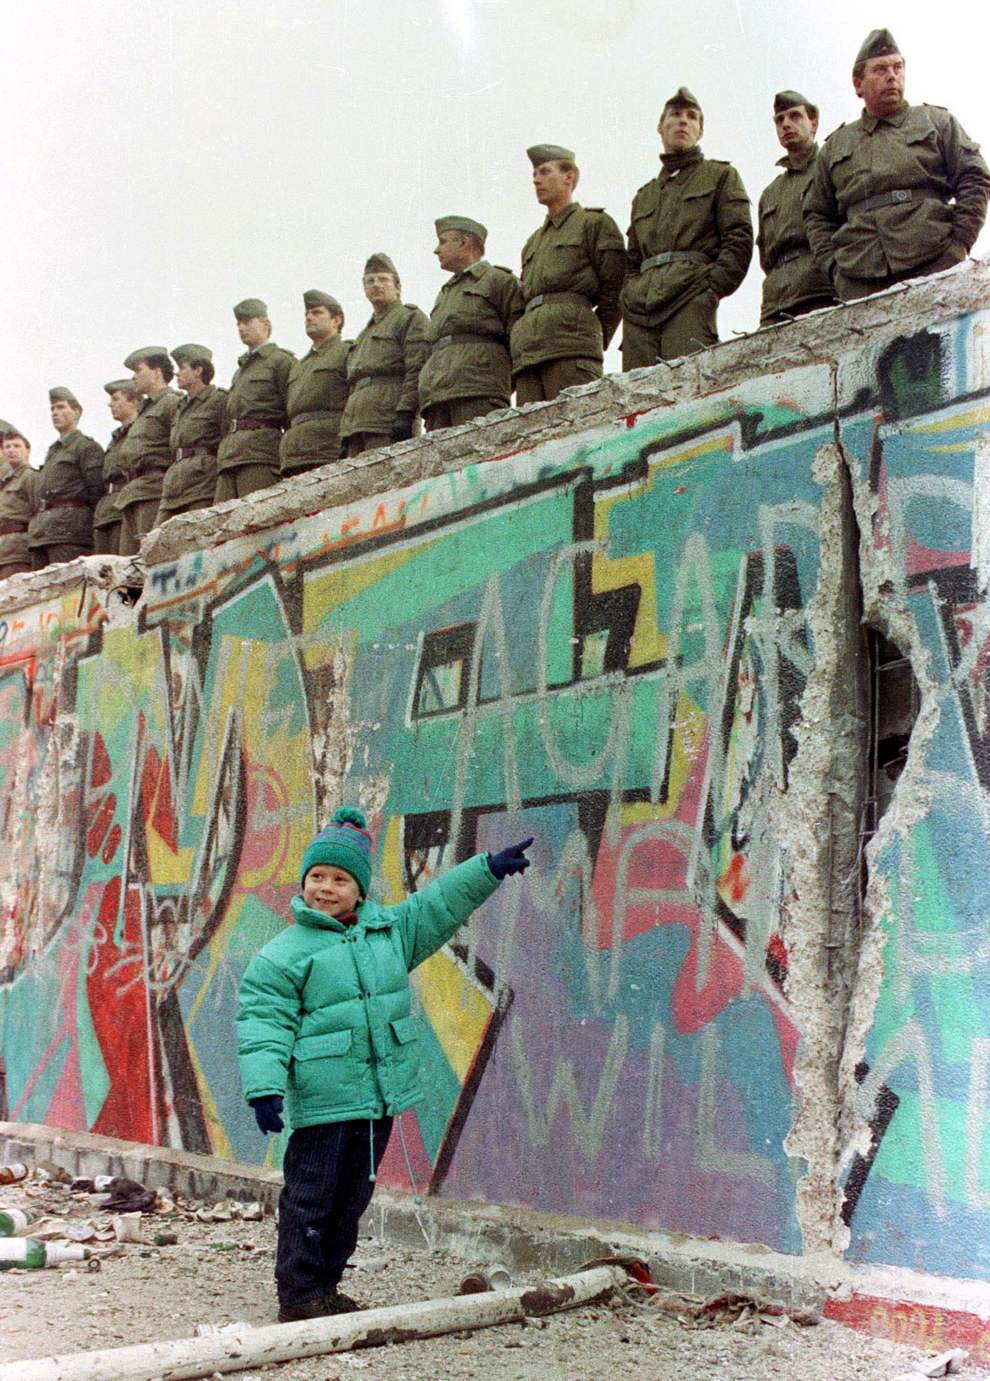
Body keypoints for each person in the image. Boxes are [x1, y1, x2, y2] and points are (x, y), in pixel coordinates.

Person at [237, 806, 532, 1322]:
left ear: (361, 888)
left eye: (340, 879)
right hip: (325, 1101)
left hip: (377, 1099)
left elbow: (438, 904)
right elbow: (263, 1023)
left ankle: (325, 1287)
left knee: (351, 1200)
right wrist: (264, 1089)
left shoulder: (390, 932)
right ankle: (299, 1294)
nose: (325, 888)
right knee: (311, 1199)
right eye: (316, 877)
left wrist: (485, 868)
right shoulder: (283, 956)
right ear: (303, 882)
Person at [804, 29, 990, 303]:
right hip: (861, 276)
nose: (892, 76)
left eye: (897, 67)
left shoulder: (936, 122)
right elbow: (816, 214)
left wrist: (959, 243)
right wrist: (835, 269)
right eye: (880, 70)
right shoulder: (836, 145)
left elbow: (975, 177)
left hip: (934, 260)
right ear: (858, 84)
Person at [620, 87, 753, 368]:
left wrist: (711, 290)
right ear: (660, 126)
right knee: (637, 404)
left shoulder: (720, 177)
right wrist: (630, 294)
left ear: (700, 131)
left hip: (689, 298)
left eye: (692, 117)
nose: (683, 121)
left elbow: (738, 239)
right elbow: (632, 260)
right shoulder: (644, 196)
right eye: (676, 115)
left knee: (687, 395)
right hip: (640, 312)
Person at [511, 144, 625, 404]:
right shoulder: (533, 242)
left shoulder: (593, 223)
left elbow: (616, 286)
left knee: (576, 428)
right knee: (531, 437)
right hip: (530, 354)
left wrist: (591, 335)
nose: (536, 180)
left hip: (572, 348)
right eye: (534, 175)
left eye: (544, 171)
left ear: (569, 177)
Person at [418, 217, 525, 431]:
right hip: (438, 396)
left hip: (479, 389)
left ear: (464, 242)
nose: (436, 250)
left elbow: (520, 337)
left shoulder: (498, 280)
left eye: (443, 241)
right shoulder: (446, 292)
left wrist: (498, 384)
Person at [757, 92, 838, 326]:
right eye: (779, 120)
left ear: (814, 123)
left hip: (821, 291)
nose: (786, 124)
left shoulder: (830, 169)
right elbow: (766, 258)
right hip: (776, 303)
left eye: (795, 116)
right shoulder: (770, 193)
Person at [339, 256, 429, 458]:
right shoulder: (363, 335)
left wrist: (406, 413)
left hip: (387, 422)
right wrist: (345, 432)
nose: (376, 285)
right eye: (370, 281)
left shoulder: (409, 318)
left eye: (382, 279)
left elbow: (417, 368)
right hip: (357, 427)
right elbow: (353, 385)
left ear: (398, 287)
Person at [215, 299, 295, 501]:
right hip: (231, 457)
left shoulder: (281, 361)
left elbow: (292, 409)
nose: (241, 328)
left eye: (247, 321)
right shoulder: (240, 370)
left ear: (265, 324)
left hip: (260, 454)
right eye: (238, 324)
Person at [27, 387, 104, 569]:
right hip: (44, 533)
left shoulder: (86, 447)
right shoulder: (53, 451)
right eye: (52, 409)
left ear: (76, 412)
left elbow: (96, 491)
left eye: (61, 408)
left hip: (70, 532)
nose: (55, 413)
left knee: (69, 589)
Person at [115, 348, 180, 556]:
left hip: (154, 490)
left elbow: (179, 444)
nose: (133, 376)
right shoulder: (145, 409)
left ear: (156, 372)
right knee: (129, 566)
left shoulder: (172, 402)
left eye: (139, 370)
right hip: (134, 492)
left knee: (151, 559)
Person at [280, 291, 350, 477]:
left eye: (317, 312)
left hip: (327, 448)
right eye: (307, 314)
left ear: (336, 320)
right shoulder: (299, 366)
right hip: (295, 453)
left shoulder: (346, 352)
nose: (309, 317)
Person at [156, 344, 227, 526]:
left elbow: (226, 441)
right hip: (174, 485)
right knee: (157, 538)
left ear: (198, 370)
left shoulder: (218, 399)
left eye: (182, 368)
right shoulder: (179, 407)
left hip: (202, 484)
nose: (177, 374)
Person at [94, 379, 140, 556]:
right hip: (107, 510)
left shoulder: (139, 432)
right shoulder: (115, 438)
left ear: (133, 401)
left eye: (116, 399)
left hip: (125, 505)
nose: (110, 404)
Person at [0, 425, 34, 580]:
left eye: (16, 446)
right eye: (7, 447)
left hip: (19, 551)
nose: (11, 450)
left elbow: (37, 513)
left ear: (27, 450)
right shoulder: (6, 482)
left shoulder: (31, 477)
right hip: (4, 550)